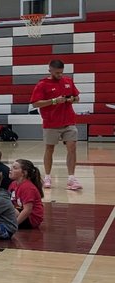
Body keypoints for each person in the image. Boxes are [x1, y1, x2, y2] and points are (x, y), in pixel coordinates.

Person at [30, 59, 82, 191]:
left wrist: (72, 99)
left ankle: (71, 178)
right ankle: (47, 176)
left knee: (72, 147)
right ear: (50, 70)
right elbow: (35, 103)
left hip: (68, 120)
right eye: (57, 72)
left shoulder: (68, 81)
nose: (59, 75)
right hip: (51, 122)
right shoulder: (42, 84)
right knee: (49, 149)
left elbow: (77, 97)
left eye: (61, 72)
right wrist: (53, 101)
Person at [9, 158, 45, 230]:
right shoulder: (13, 184)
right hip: (19, 212)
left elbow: (27, 210)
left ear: (24, 173)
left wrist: (14, 225)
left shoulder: (28, 187)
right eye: (11, 167)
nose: (10, 170)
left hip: (30, 219)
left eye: (14, 168)